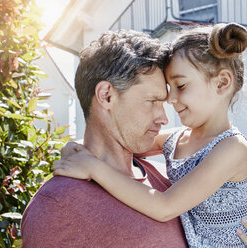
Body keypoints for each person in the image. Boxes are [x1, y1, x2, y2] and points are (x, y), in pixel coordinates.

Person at [53, 23, 247, 247]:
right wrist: (76, 147)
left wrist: (92, 167)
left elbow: (165, 207)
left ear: (222, 83)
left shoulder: (233, 148)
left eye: (180, 86)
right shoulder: (178, 140)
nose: (170, 100)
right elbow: (126, 143)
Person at [20, 29, 188, 247]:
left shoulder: (170, 181)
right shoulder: (58, 206)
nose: (163, 118)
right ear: (106, 96)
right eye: (152, 101)